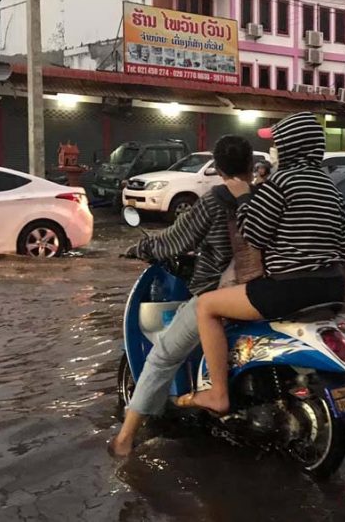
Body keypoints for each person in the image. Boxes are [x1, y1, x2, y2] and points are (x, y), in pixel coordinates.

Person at [183, 112, 345, 415]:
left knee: (206, 306)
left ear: (290, 146)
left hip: (288, 289)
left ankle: (218, 394)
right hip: (334, 287)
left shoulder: (282, 181)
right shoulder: (331, 187)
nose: (275, 150)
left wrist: (245, 197)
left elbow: (253, 234)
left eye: (278, 144)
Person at [109, 135, 254, 457]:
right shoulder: (261, 199)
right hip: (262, 293)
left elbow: (174, 240)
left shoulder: (214, 202)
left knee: (162, 356)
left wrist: (141, 248)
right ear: (251, 166)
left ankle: (123, 441)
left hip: (221, 293)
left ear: (216, 167)